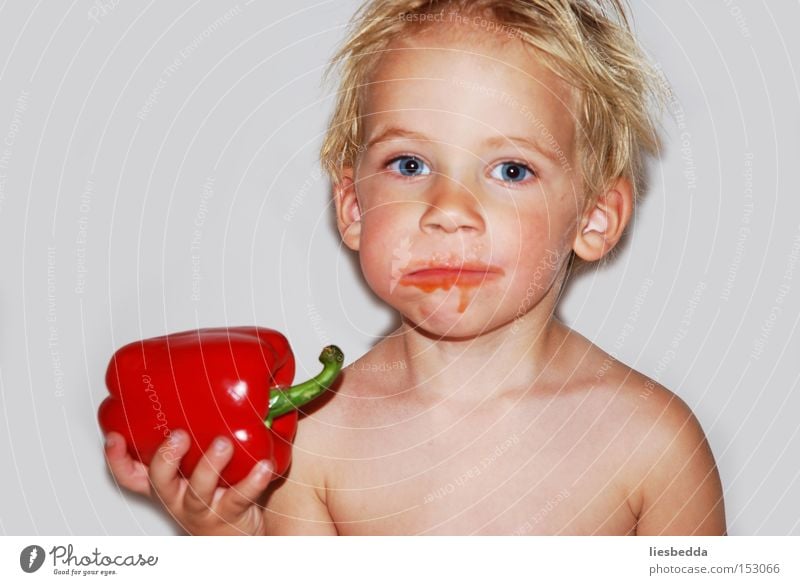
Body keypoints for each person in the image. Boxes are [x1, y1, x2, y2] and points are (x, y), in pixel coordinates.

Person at [104, 0, 726, 535]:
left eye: (511, 170)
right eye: (409, 165)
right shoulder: (316, 442)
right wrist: (233, 540)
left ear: (594, 217)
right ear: (352, 207)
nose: (448, 211)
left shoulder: (652, 445)